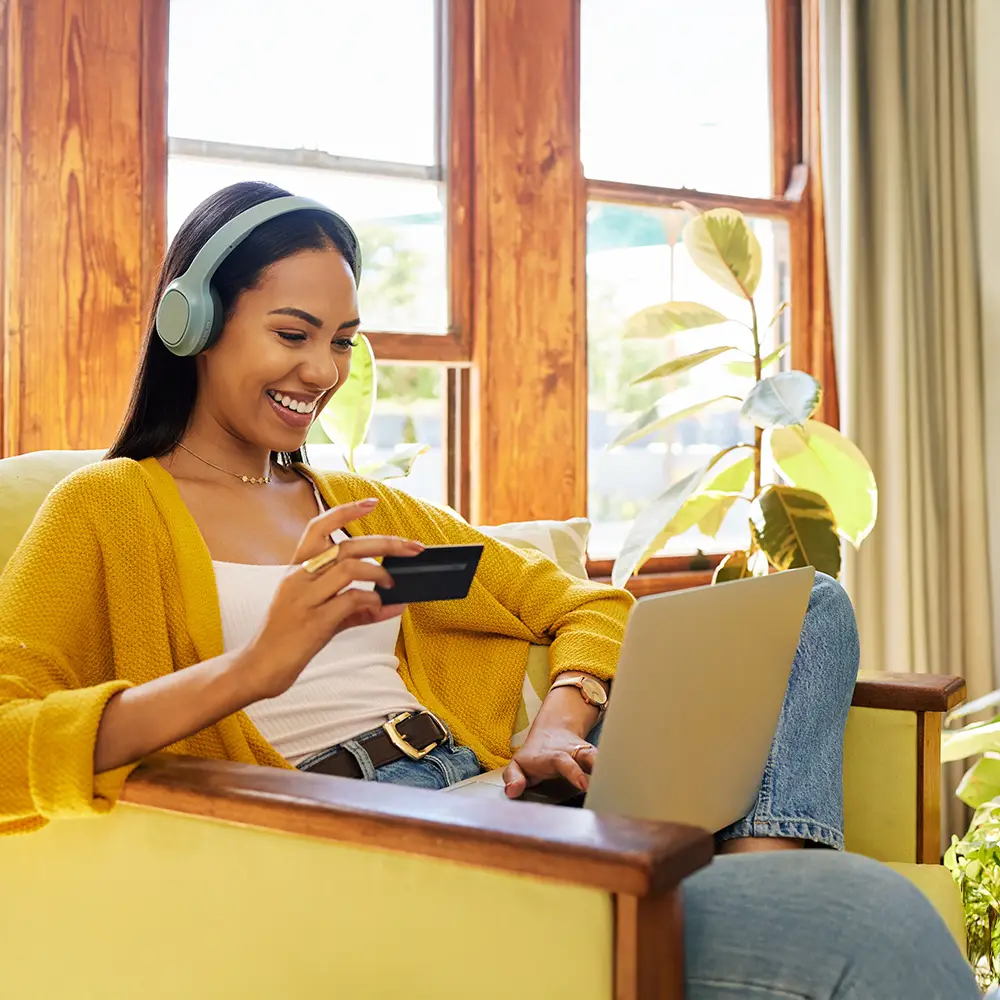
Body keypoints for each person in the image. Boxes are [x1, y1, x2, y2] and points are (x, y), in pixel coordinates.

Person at [0, 182, 977, 997]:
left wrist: (560, 718)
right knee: (866, 920)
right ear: (195, 322)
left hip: (496, 793)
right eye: (293, 332)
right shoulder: (111, 509)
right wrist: (253, 667)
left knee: (808, 601)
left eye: (341, 340)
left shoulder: (360, 506)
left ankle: (765, 867)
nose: (321, 371)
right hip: (370, 839)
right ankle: (760, 903)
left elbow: (579, 604)